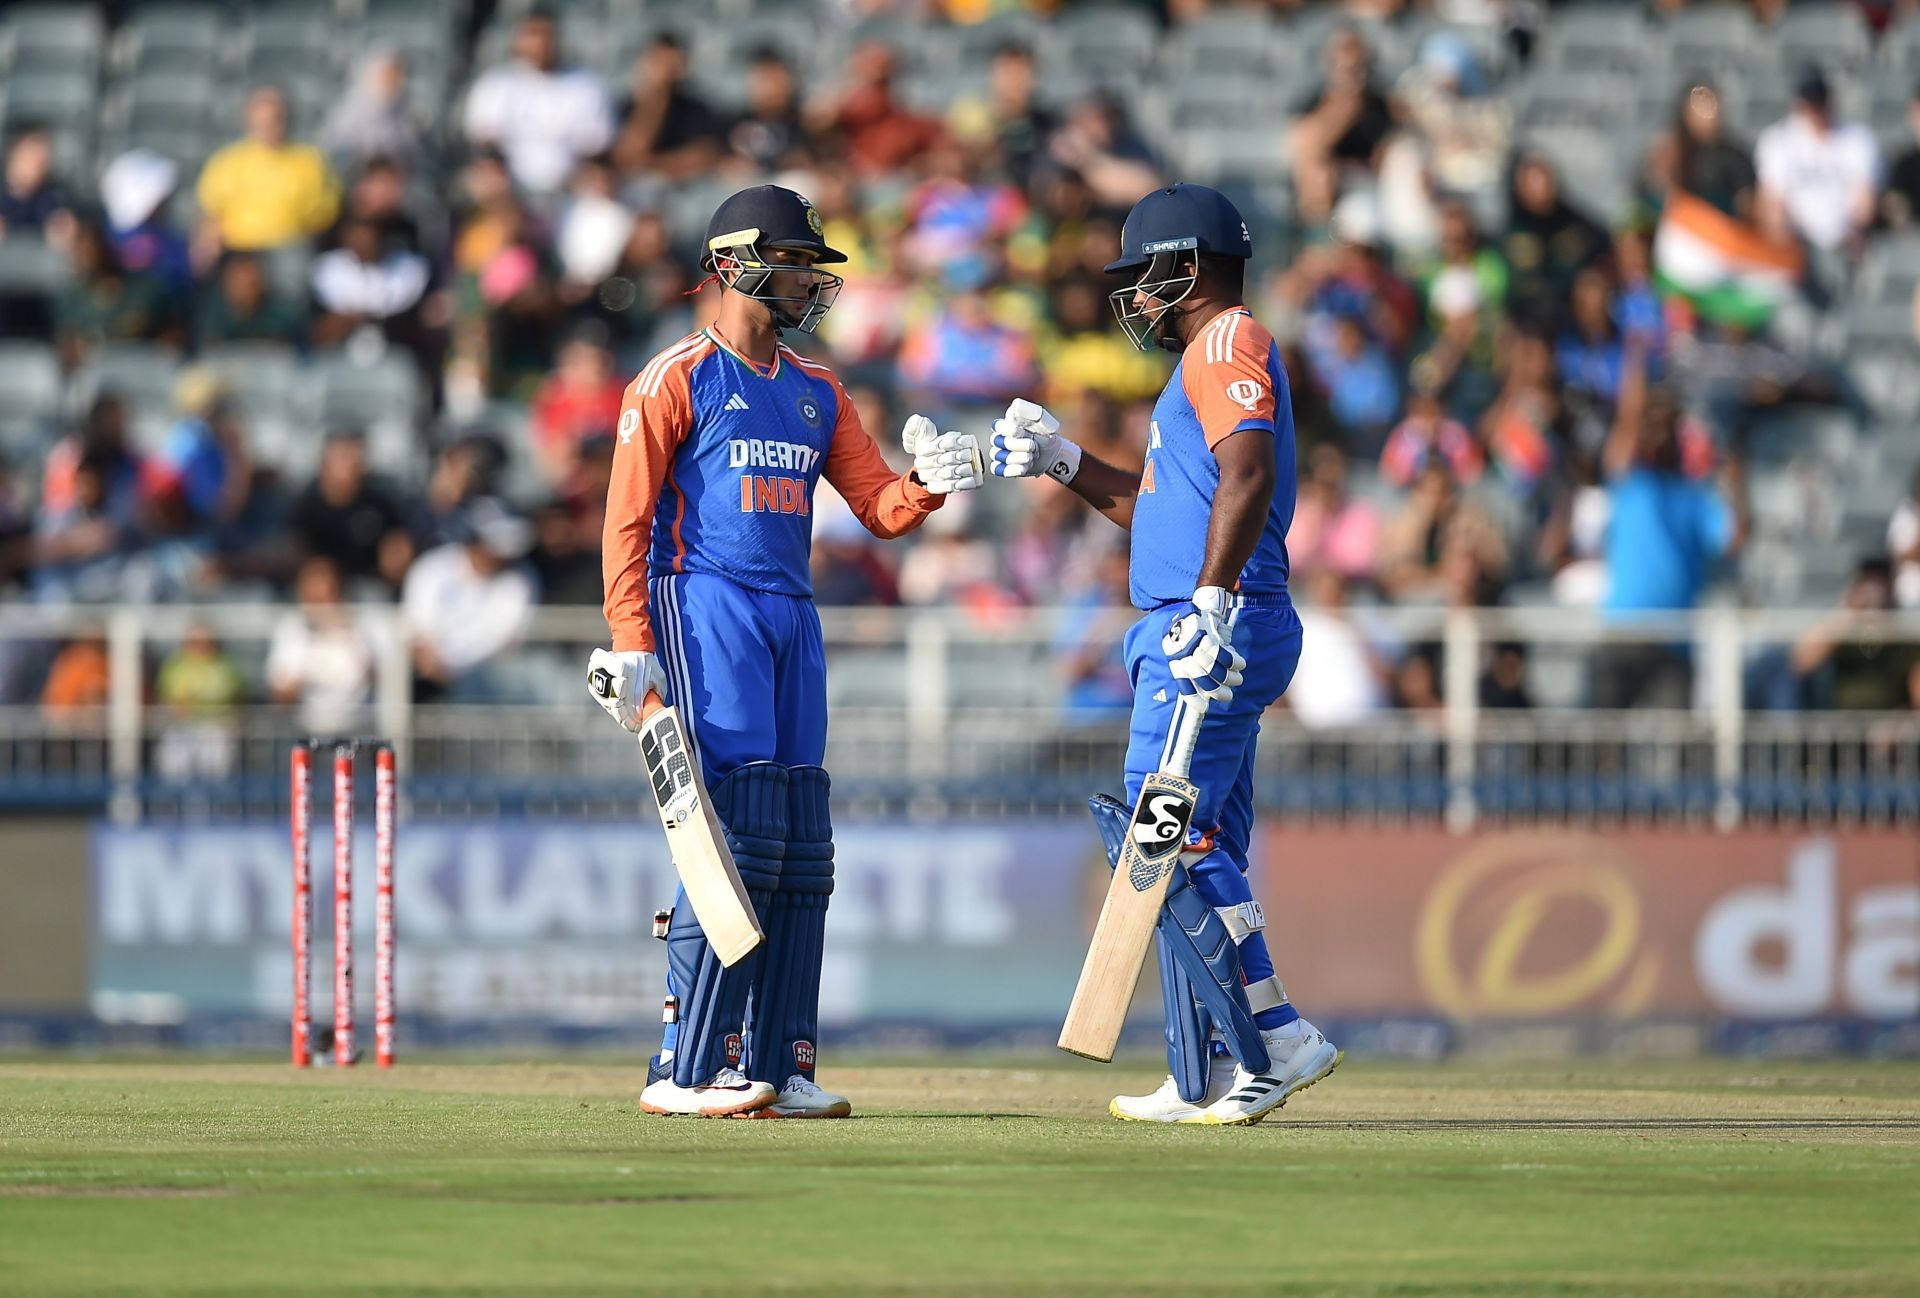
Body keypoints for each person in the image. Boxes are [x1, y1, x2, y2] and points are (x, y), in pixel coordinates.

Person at [585, 185, 984, 1119]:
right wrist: (629, 643)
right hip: (704, 604)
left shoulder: (816, 390)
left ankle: (781, 1060)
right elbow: (626, 524)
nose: (810, 279)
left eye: (814, 265)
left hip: (792, 615)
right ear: (734, 262)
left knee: (801, 839)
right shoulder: (675, 378)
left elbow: (879, 509)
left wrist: (925, 484)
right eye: (796, 261)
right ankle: (688, 1063)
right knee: (732, 830)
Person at [989, 183, 1340, 1125]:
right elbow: (1152, 509)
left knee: (1167, 837)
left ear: (1190, 262)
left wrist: (1215, 599)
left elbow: (1251, 471)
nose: (1137, 294)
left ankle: (1276, 1035)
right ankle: (1202, 1075)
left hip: (1213, 617)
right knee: (1199, 842)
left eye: (1147, 273)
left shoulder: (1227, 340)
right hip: (1195, 613)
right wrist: (1059, 459)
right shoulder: (1198, 363)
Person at [463, 10, 614, 196]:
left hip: (570, 187)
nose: (540, 43)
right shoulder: (495, 86)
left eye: (546, 35)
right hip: (511, 190)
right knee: (483, 180)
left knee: (601, 186)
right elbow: (485, 145)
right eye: (532, 34)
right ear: (518, 39)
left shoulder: (586, 86)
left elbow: (595, 151)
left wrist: (581, 176)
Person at [402, 497, 539, 701]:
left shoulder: (521, 577)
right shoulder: (432, 569)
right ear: (476, 540)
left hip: (493, 684)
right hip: (432, 683)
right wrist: (443, 674)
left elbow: (508, 644)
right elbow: (420, 642)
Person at [195, 86, 341, 261]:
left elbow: (322, 218)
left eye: (274, 120)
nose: (268, 126)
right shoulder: (226, 161)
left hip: (290, 252)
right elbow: (211, 214)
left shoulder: (310, 161)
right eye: (261, 121)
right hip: (239, 252)